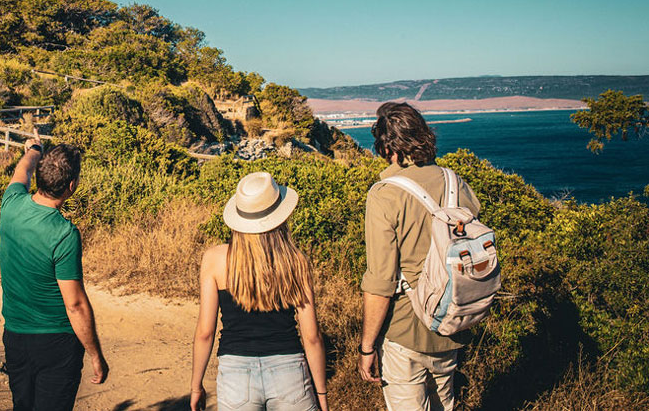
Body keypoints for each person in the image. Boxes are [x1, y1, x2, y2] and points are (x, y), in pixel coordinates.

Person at [358, 102, 482, 411]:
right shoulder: (455, 182)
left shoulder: (384, 194)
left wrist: (366, 346)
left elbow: (381, 283)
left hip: (405, 329)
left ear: (389, 148)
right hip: (452, 322)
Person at [190, 171, 329, 411]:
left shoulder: (214, 259)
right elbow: (312, 337)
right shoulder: (296, 261)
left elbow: (205, 332)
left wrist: (196, 386)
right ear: (281, 216)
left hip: (236, 375)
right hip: (289, 372)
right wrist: (322, 395)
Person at [0, 134, 108, 411]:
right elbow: (75, 305)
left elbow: (21, 170)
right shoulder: (64, 234)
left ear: (40, 177)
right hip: (56, 342)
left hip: (14, 335)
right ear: (71, 186)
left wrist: (34, 149)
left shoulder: (11, 203)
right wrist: (96, 355)